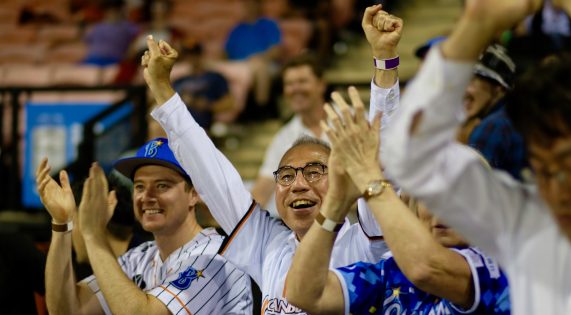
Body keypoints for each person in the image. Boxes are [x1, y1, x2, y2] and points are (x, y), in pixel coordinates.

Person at [139, 4, 401, 313]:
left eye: (314, 171)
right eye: (286, 176)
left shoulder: (366, 240)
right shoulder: (268, 245)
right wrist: (162, 90)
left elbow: (382, 158)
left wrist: (385, 60)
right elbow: (212, 172)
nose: (298, 185)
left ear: (341, 179)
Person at [377, 0, 571, 314]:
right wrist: (476, 25)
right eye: (544, 172)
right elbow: (408, 156)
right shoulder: (526, 221)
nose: (559, 191)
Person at [286, 86, 510, 315]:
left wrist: (368, 177)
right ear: (413, 207)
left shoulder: (495, 265)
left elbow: (425, 269)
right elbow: (302, 294)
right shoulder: (391, 273)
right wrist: (336, 202)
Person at [37, 139, 253, 314]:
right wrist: (62, 224)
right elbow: (66, 310)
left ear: (194, 193)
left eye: (162, 186)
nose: (147, 197)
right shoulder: (139, 257)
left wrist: (94, 237)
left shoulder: (217, 256)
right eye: (140, 186)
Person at [251, 53, 329, 209]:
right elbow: (263, 187)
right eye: (289, 83)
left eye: (302, 81)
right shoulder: (284, 136)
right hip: (309, 223)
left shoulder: (354, 120)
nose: (295, 89)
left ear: (321, 84)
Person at [461, 44, 529, 180]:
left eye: (474, 83)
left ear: (499, 90)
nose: (466, 91)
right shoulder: (513, 118)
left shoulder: (495, 125)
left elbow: (469, 184)